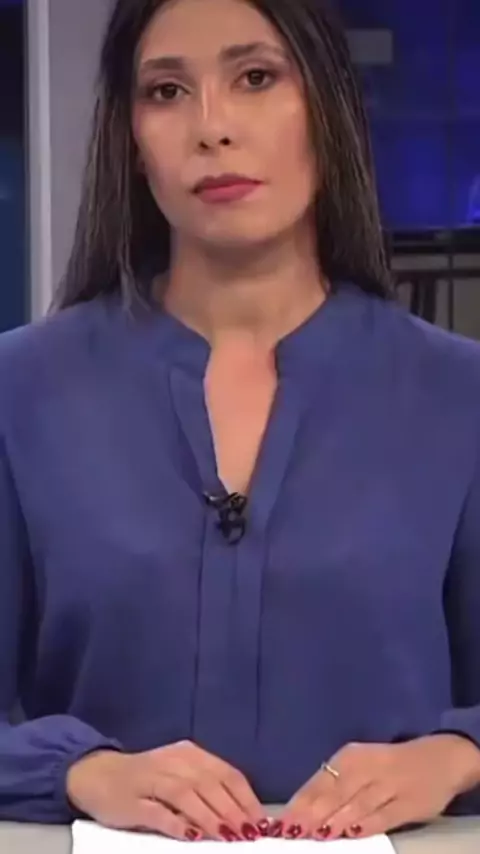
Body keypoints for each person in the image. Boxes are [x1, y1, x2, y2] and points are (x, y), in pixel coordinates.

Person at [1, 0, 480, 844]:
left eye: (255, 77)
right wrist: (80, 771)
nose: (211, 128)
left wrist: (456, 754)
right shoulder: (21, 390)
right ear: (132, 140)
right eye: (166, 91)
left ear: (326, 106)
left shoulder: (458, 395)